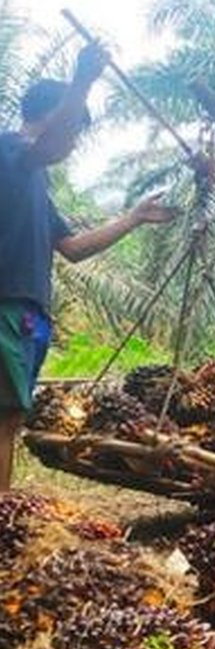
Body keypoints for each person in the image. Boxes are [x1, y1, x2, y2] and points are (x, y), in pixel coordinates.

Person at [1, 45, 178, 492]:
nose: (74, 142)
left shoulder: (34, 182)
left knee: (10, 418)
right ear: (52, 113)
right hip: (6, 308)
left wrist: (134, 218)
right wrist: (83, 80)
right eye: (76, 129)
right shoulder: (9, 149)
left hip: (27, 317)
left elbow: (74, 249)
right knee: (3, 419)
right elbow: (51, 145)